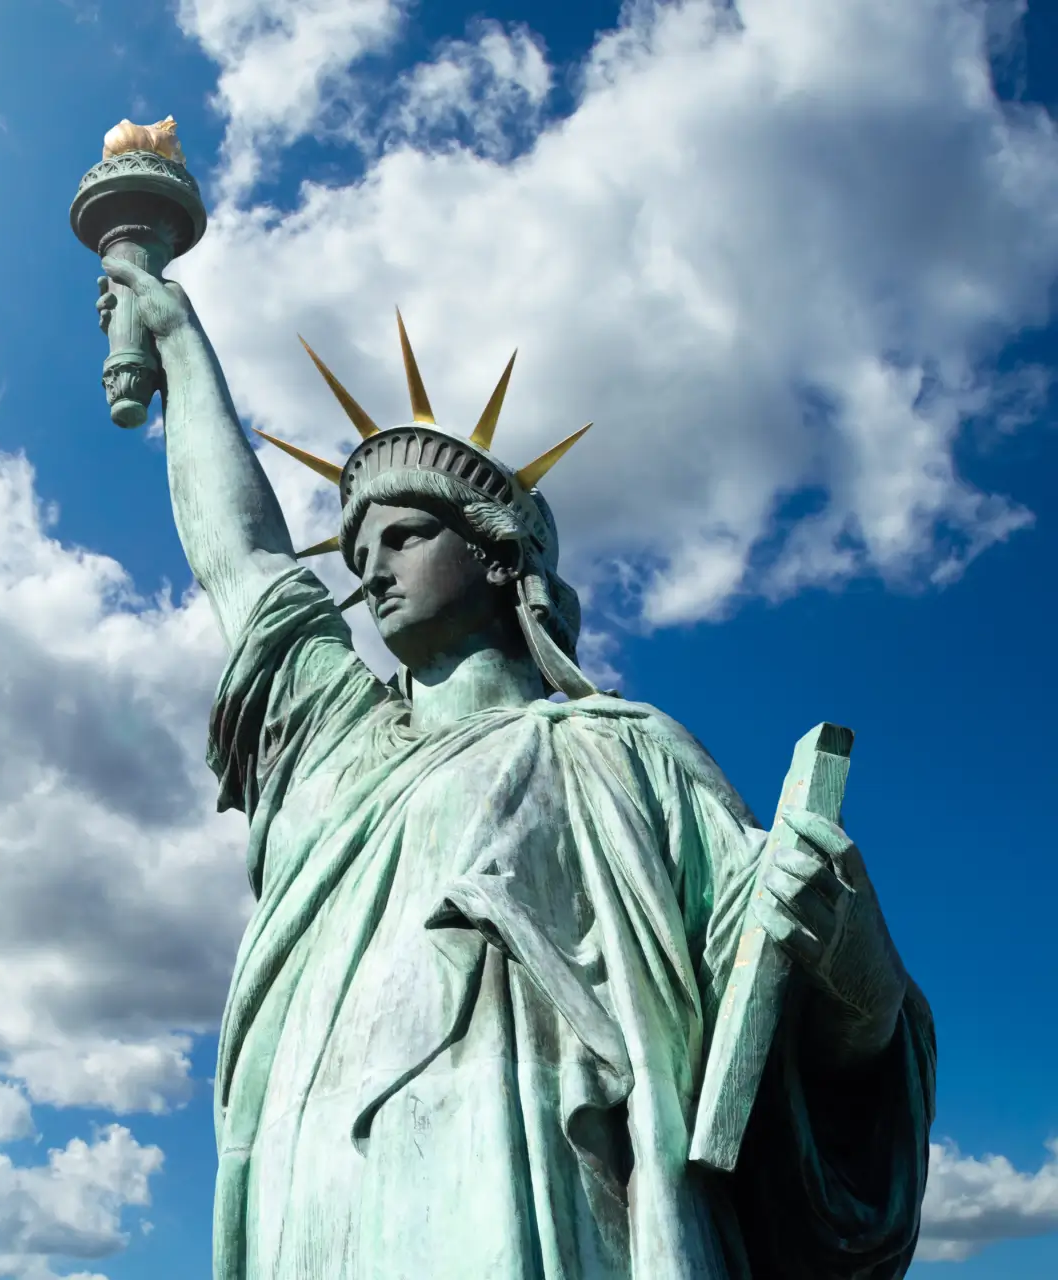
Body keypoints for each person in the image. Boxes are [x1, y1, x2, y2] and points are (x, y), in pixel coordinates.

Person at [96, 257, 934, 1279]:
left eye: (406, 534)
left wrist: (851, 962)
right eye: (358, 551)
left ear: (498, 556)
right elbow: (247, 563)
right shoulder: (333, 749)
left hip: (548, 1196)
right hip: (316, 1204)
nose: (371, 568)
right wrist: (180, 344)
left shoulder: (622, 751)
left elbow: (771, 1021)